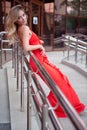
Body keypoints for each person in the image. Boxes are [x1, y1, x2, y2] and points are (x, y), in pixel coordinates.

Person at [6, 5, 86, 118]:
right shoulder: (24, 28)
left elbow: (28, 42)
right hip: (39, 62)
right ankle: (60, 108)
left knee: (60, 79)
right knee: (59, 82)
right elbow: (26, 48)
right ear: (15, 20)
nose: (23, 18)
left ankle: (64, 106)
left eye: (23, 15)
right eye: (19, 17)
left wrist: (39, 42)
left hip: (39, 60)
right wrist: (39, 45)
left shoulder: (21, 28)